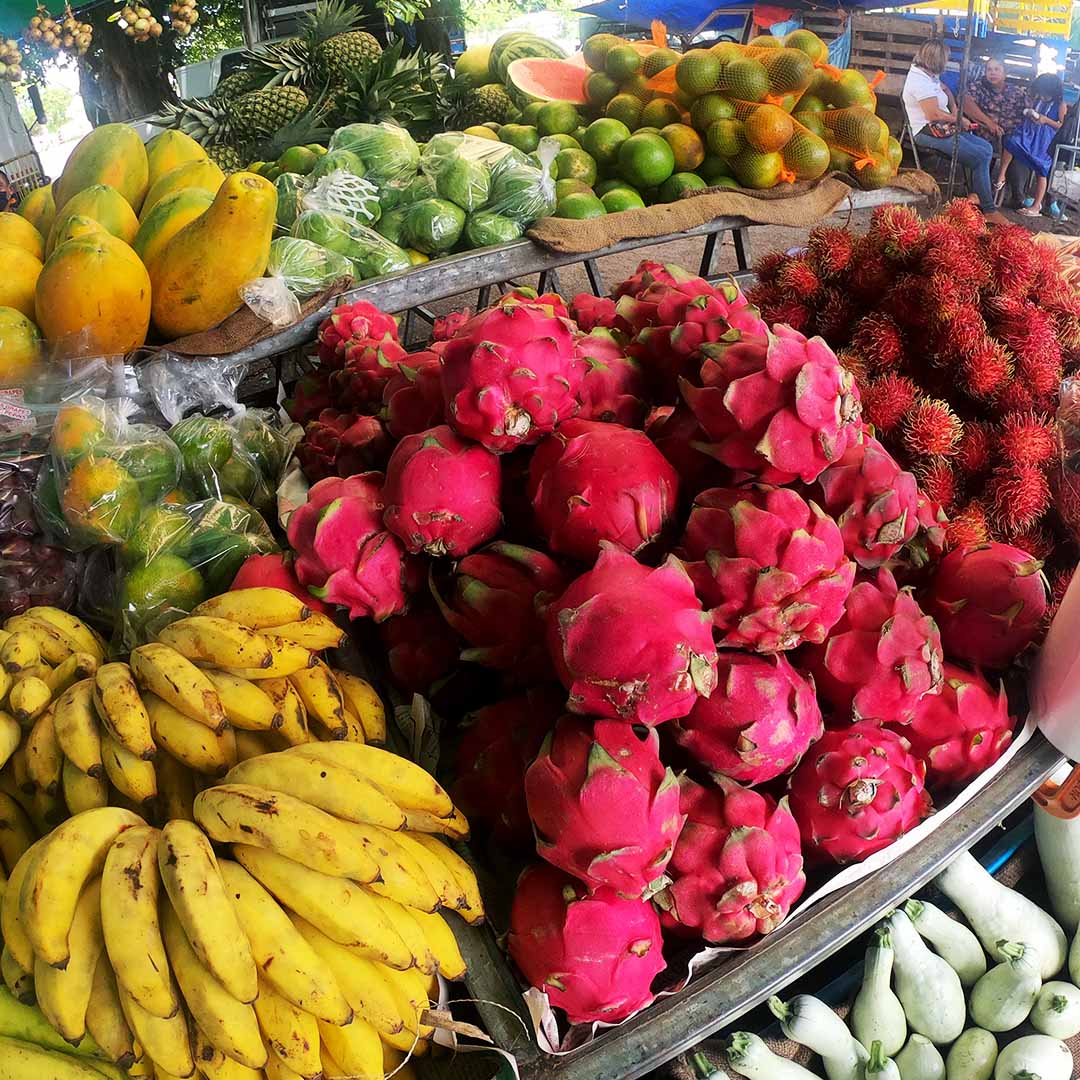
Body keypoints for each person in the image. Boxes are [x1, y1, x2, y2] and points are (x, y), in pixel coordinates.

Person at [903, 39, 997, 214]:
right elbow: (933, 115)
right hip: (926, 132)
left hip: (942, 126)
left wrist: (954, 109)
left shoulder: (928, 75)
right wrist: (959, 120)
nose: (947, 62)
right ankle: (989, 210)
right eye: (945, 59)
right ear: (936, 61)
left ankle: (976, 194)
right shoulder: (920, 82)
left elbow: (945, 89)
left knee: (986, 148)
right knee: (979, 156)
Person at [995, 72, 1067, 217]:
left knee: (1041, 169)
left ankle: (1036, 206)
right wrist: (1030, 114)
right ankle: (1001, 175)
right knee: (1011, 142)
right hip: (1029, 133)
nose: (1042, 96)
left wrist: (1045, 120)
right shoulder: (1038, 100)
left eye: (1044, 93)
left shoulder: (1060, 105)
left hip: (1044, 140)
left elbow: (1060, 125)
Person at [963, 57, 1026, 141]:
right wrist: (989, 123)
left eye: (997, 69)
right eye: (989, 70)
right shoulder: (978, 87)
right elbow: (965, 102)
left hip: (1010, 141)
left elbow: (1025, 116)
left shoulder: (1017, 93)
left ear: (1005, 73)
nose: (993, 73)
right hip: (981, 138)